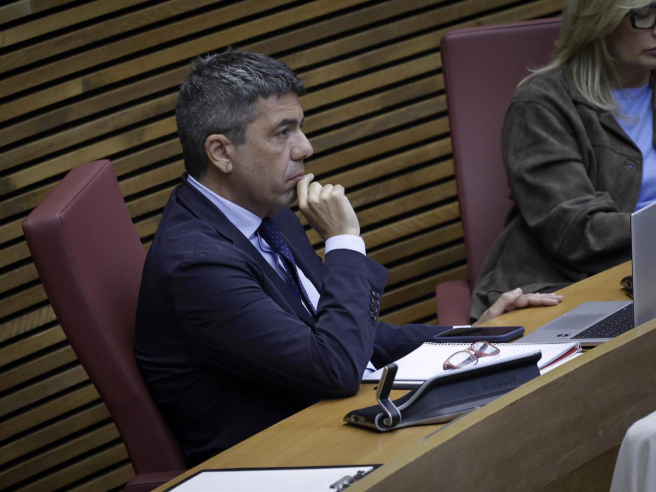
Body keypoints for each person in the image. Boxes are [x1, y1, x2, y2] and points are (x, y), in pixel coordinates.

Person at [134, 49, 561, 467]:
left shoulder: (266, 213)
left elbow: (353, 333)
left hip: (329, 423)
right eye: (283, 133)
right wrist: (342, 242)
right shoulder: (197, 265)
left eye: (300, 129)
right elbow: (334, 367)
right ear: (221, 153)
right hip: (279, 462)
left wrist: (472, 338)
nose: (305, 148)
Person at [471, 0, 656, 320]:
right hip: (562, 288)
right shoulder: (541, 104)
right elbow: (578, 231)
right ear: (599, 19)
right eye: (644, 13)